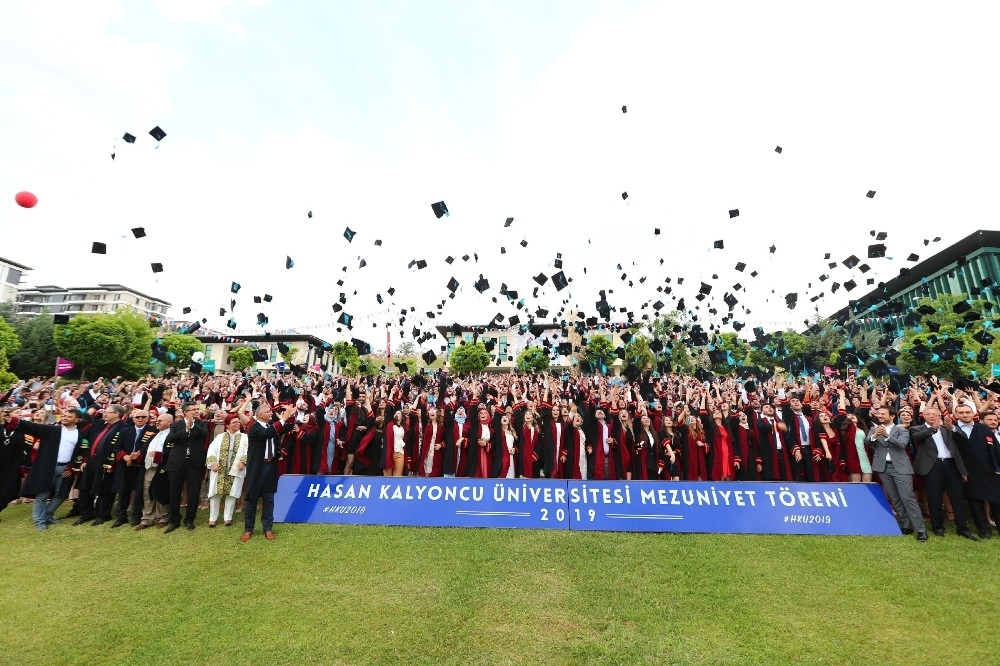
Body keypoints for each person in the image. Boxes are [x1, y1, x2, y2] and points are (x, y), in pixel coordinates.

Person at [1, 405, 84, 530]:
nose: (65, 418)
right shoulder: (52, 430)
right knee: (42, 494)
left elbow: (79, 452)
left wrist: (72, 467)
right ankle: (40, 521)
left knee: (61, 495)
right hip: (48, 467)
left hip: (65, 468)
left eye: (70, 416)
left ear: (77, 420)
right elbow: (31, 427)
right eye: (65, 415)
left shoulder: (80, 434)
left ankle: (47, 515)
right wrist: (10, 419)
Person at [909, 407, 976, 539]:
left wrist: (952, 427)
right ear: (924, 415)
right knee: (934, 498)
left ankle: (962, 528)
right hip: (933, 466)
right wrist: (933, 428)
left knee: (957, 497)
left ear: (939, 415)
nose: (932, 416)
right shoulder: (917, 428)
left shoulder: (947, 428)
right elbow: (918, 437)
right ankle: (938, 527)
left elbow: (963, 439)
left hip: (951, 465)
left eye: (935, 414)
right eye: (929, 414)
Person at [239, 400, 296, 541]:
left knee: (269, 499)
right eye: (268, 412)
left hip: (271, 467)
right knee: (251, 500)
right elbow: (268, 433)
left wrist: (292, 415)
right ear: (260, 415)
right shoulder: (254, 428)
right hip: (257, 468)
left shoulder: (272, 426)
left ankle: (268, 529)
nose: (271, 413)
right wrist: (283, 418)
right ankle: (248, 530)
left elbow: (287, 427)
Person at [869, 406, 926, 541]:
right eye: (879, 414)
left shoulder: (902, 430)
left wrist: (886, 435)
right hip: (883, 468)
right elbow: (867, 442)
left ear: (892, 416)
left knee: (908, 498)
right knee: (895, 499)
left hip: (901, 468)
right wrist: (875, 435)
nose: (880, 416)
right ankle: (906, 526)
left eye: (883, 414)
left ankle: (921, 530)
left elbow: (901, 445)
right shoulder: (873, 429)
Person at [952, 406, 1000, 539]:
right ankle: (984, 530)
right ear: (956, 414)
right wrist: (961, 471)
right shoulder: (952, 429)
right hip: (967, 473)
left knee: (996, 501)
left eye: (968, 412)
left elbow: (996, 449)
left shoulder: (983, 428)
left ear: (974, 413)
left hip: (989, 471)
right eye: (961, 412)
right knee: (976, 503)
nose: (965, 415)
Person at [164, 403, 209, 532]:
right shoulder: (175, 425)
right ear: (185, 412)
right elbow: (170, 439)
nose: (196, 411)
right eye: (193, 409)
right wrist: (186, 430)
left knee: (193, 492)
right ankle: (174, 521)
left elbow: (204, 434)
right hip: (177, 462)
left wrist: (193, 426)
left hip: (195, 463)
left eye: (197, 409)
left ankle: (189, 520)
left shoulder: (201, 423)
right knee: (174, 492)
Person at [205, 414, 248, 527]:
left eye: (238, 422)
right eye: (234, 422)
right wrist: (213, 463)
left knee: (232, 493)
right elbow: (212, 450)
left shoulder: (244, 437)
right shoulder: (220, 437)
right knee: (215, 493)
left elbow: (248, 451)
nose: (237, 424)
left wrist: (243, 461)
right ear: (227, 425)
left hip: (235, 469)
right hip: (219, 469)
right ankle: (212, 518)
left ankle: (227, 518)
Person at [135, 412, 172, 530]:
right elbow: (144, 449)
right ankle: (147, 518)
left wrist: (157, 455)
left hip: (162, 469)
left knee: (161, 492)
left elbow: (171, 453)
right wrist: (137, 455)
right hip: (148, 468)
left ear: (169, 422)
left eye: (161, 420)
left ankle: (163, 517)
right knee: (147, 493)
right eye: (157, 420)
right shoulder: (154, 435)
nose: (157, 421)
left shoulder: (172, 435)